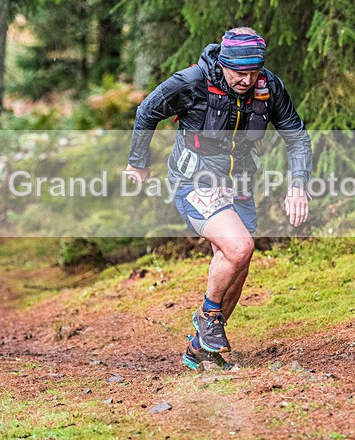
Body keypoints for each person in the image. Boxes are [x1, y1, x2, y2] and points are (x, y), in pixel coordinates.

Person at [124, 27, 312, 369]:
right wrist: (138, 163)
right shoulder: (191, 82)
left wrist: (297, 185)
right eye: (240, 73)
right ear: (223, 64)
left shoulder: (269, 88)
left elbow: (296, 136)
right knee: (240, 247)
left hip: (239, 182)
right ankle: (208, 315)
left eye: (254, 72)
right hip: (195, 180)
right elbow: (148, 109)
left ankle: (201, 350)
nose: (247, 79)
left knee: (237, 262)